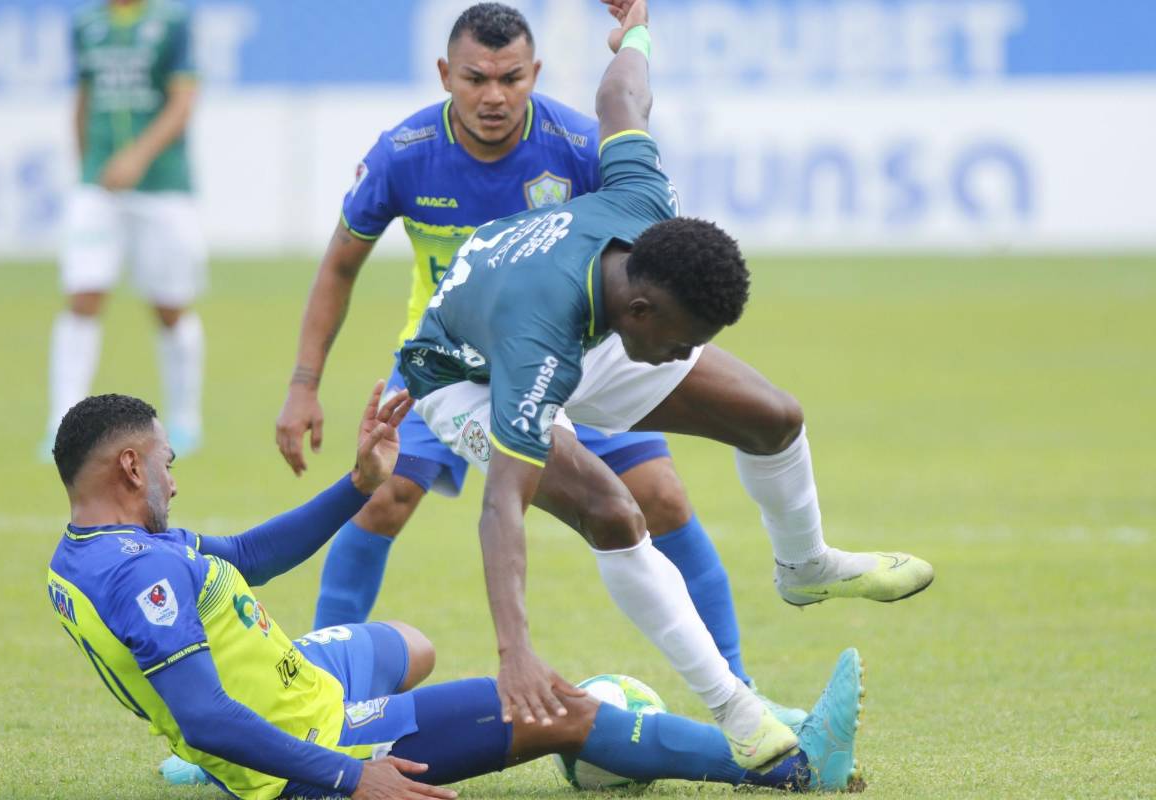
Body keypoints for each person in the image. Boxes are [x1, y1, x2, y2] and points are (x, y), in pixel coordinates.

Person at [398, 0, 934, 771]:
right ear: (644, 308)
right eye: (682, 341)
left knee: (774, 416)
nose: (686, 356)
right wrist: (513, 649)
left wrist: (635, 32)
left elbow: (622, 97)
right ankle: (736, 710)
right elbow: (500, 507)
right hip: (466, 374)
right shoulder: (536, 340)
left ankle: (805, 564)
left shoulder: (645, 207)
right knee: (615, 511)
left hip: (590, 324)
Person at [46, 383, 866, 798]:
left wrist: (358, 483)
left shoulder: (90, 553)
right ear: (129, 466)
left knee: (409, 646)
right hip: (318, 746)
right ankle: (786, 769)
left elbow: (248, 557)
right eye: (165, 465)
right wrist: (346, 776)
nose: (172, 483)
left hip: (289, 693)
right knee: (558, 707)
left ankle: (224, 761)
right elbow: (203, 713)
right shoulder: (141, 570)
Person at [275, 2, 760, 697]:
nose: (494, 96)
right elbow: (340, 266)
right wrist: (302, 384)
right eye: (476, 78)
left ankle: (742, 688)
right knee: (381, 497)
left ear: (535, 72)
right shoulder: (403, 155)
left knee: (663, 498)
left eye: (511, 78)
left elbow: (642, 251)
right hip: (447, 362)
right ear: (447, 75)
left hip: (569, 350)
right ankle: (312, 701)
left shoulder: (574, 144)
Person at [43, 0, 206, 459]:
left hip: (162, 186)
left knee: (170, 305)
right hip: (98, 187)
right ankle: (61, 420)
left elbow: (182, 101)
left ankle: (186, 418)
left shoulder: (171, 22)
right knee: (83, 295)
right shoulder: (87, 24)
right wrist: (86, 168)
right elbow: (84, 98)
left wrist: (138, 156)